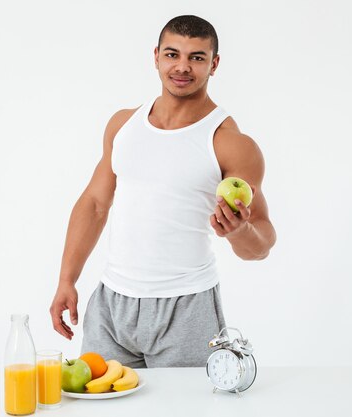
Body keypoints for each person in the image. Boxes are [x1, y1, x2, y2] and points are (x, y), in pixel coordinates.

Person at [49, 15, 276, 368]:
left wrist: (240, 230)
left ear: (214, 64)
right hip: (112, 305)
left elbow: (261, 246)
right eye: (173, 54)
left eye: (197, 57)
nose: (182, 67)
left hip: (186, 307)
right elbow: (95, 204)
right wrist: (67, 279)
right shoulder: (123, 124)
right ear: (156, 56)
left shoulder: (231, 143)